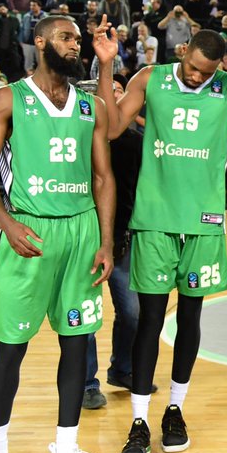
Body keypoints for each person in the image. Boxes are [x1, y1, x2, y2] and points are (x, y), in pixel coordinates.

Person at [95, 21, 227, 453]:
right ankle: (139, 421)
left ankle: (175, 410)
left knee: (190, 319)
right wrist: (105, 67)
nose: (198, 77)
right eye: (194, 67)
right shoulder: (150, 78)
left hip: (203, 222)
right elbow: (114, 126)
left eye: (207, 71)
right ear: (183, 52)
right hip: (155, 220)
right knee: (150, 320)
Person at [0, 15, 116, 453]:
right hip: (29, 230)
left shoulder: (90, 105)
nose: (74, 45)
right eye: (66, 38)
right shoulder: (8, 99)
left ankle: (65, 452)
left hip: (82, 232)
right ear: (40, 42)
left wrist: (106, 241)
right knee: (11, 346)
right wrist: (8, 224)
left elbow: (103, 178)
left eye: (77, 40)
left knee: (77, 342)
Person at [78, 75, 155, 409]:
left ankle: (122, 369)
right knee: (84, 317)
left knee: (132, 313)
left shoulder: (136, 142)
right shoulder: (75, 140)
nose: (111, 98)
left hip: (123, 239)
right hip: (83, 241)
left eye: (117, 92)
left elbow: (145, 192)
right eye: (103, 93)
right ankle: (86, 383)